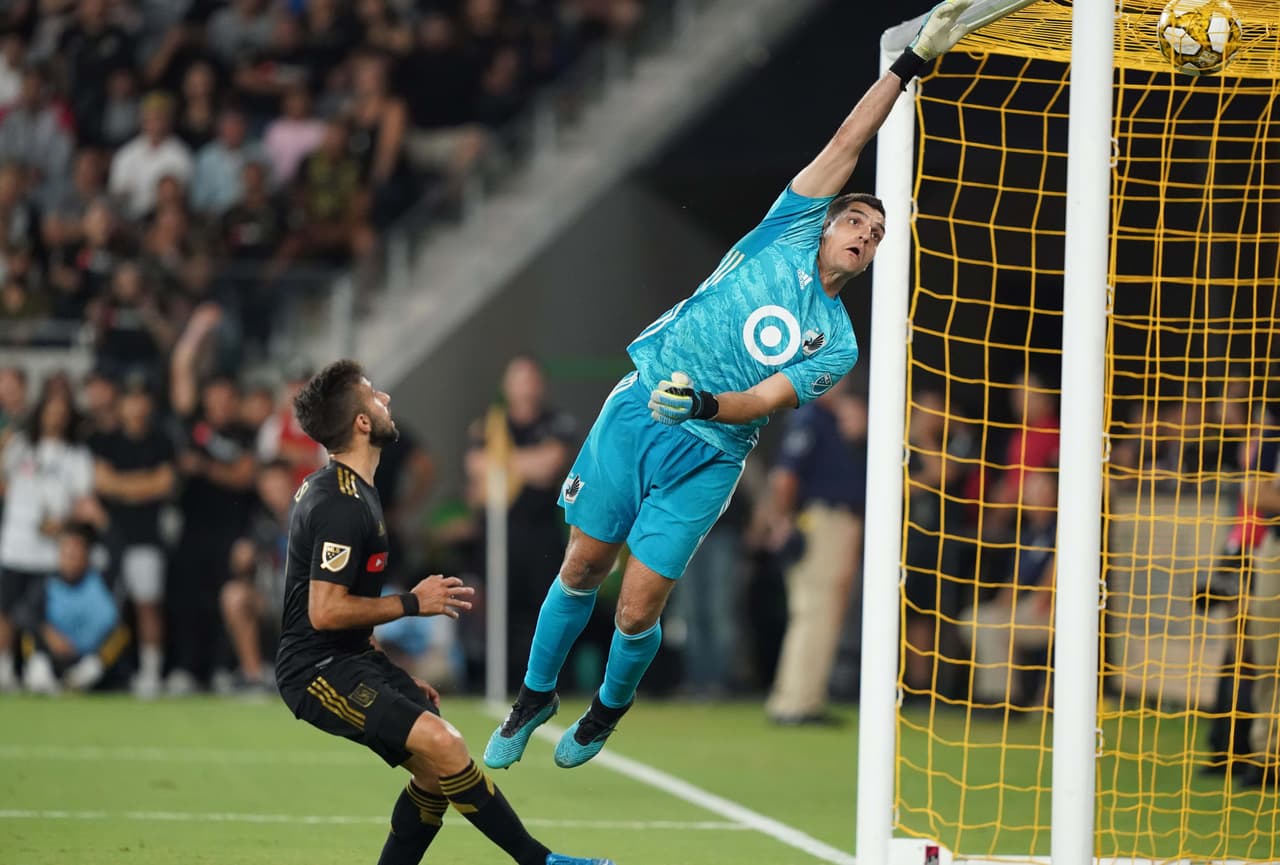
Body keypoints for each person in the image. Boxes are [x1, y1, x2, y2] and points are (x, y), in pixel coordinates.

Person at [485, 0, 980, 770]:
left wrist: (707, 404)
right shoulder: (786, 226)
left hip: (711, 448)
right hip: (640, 405)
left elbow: (764, 403)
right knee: (583, 565)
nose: (865, 237)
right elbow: (850, 140)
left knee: (641, 601)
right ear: (825, 223)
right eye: (857, 223)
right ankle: (534, 697)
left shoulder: (838, 343)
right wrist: (909, 65)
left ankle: (609, 709)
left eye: (878, 237)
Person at [276, 359, 612, 865]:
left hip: (347, 659)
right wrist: (414, 602)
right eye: (374, 395)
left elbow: (339, 615)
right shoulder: (340, 504)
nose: (385, 400)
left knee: (434, 767)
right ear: (362, 423)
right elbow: (324, 613)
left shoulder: (355, 492)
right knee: (446, 745)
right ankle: (539, 862)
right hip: (315, 672)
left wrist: (392, 673)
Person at [758, 378, 867, 725]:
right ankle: (797, 703)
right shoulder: (812, 417)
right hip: (824, 520)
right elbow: (784, 476)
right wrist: (782, 521)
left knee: (816, 612)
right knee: (815, 611)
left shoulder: (835, 419)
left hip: (833, 520)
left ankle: (799, 696)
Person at [90, 377, 175, 698]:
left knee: (147, 605)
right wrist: (141, 485)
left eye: (142, 399)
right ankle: (99, 670)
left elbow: (164, 484)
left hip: (146, 538)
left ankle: (151, 672)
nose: (137, 406)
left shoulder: (161, 440)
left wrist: (122, 486)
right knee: (104, 607)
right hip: (110, 537)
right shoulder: (105, 440)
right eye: (131, 399)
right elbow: (101, 483)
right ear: (121, 404)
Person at [14, 521, 129, 694]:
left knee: (121, 633)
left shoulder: (104, 579)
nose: (71, 560)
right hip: (56, 655)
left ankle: (88, 674)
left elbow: (118, 548)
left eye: (76, 554)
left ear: (87, 556)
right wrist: (49, 633)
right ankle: (38, 669)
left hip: (93, 659)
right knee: (29, 633)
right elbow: (22, 613)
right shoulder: (47, 584)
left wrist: (99, 519)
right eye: (67, 554)